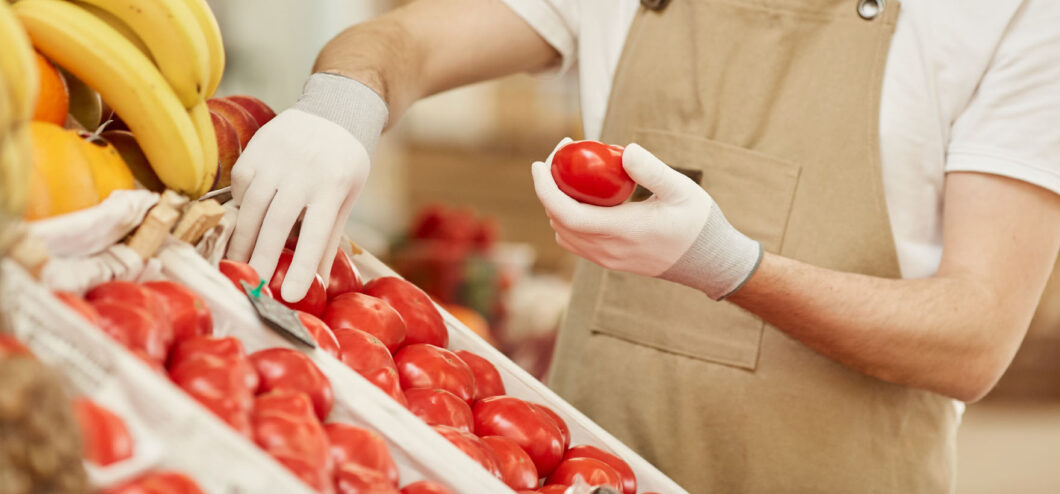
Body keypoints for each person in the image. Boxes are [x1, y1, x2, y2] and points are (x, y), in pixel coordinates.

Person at [226, 0, 1060, 491]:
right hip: (579, 472)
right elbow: (412, 40)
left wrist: (730, 267)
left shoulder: (1013, 19)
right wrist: (343, 104)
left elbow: (973, 336)